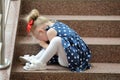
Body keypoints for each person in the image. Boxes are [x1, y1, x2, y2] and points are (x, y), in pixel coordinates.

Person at [19, 9, 91, 72]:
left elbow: (55, 52)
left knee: (55, 41)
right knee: (50, 45)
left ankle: (40, 63)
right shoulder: (55, 24)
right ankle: (35, 58)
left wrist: (43, 44)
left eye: (38, 37)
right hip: (77, 56)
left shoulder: (51, 32)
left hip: (72, 60)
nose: (39, 40)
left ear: (41, 32)